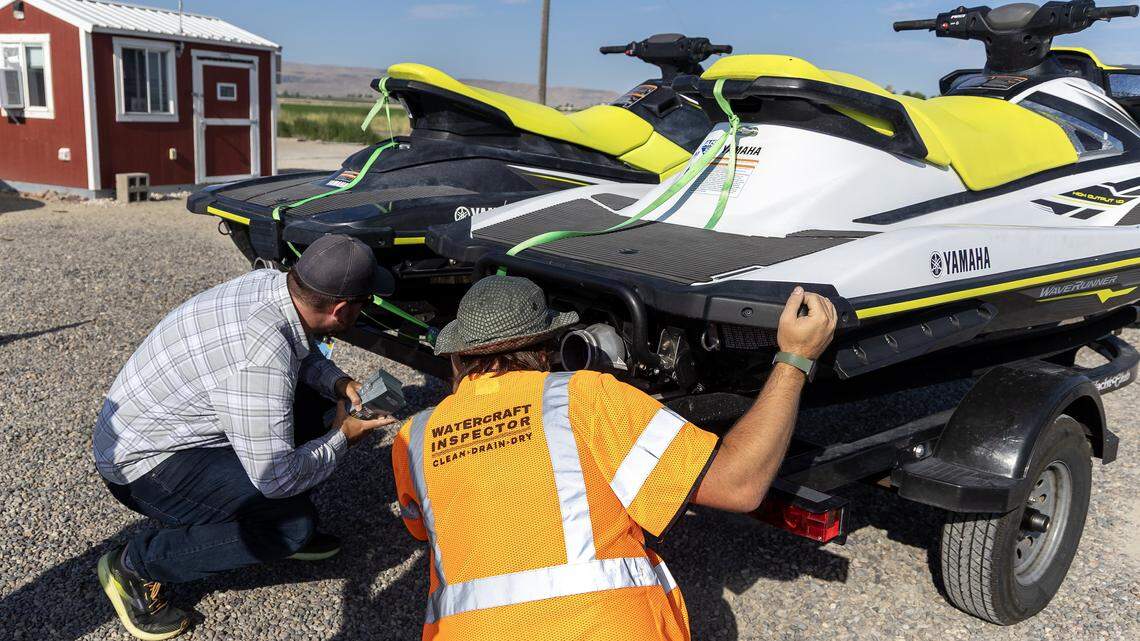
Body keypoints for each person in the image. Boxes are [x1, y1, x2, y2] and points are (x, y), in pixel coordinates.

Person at [391, 275, 837, 640]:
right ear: (547, 349)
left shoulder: (413, 437)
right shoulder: (585, 397)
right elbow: (739, 485)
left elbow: (428, 529)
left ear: (456, 358)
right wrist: (794, 358)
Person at [92, 235, 398, 640]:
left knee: (312, 404)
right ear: (341, 310)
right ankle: (135, 566)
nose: (366, 308)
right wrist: (343, 437)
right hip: (145, 467)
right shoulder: (261, 359)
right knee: (290, 526)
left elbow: (302, 353)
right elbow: (277, 478)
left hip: (160, 428)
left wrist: (338, 382)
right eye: (365, 302)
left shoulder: (273, 287)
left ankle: (249, 517)